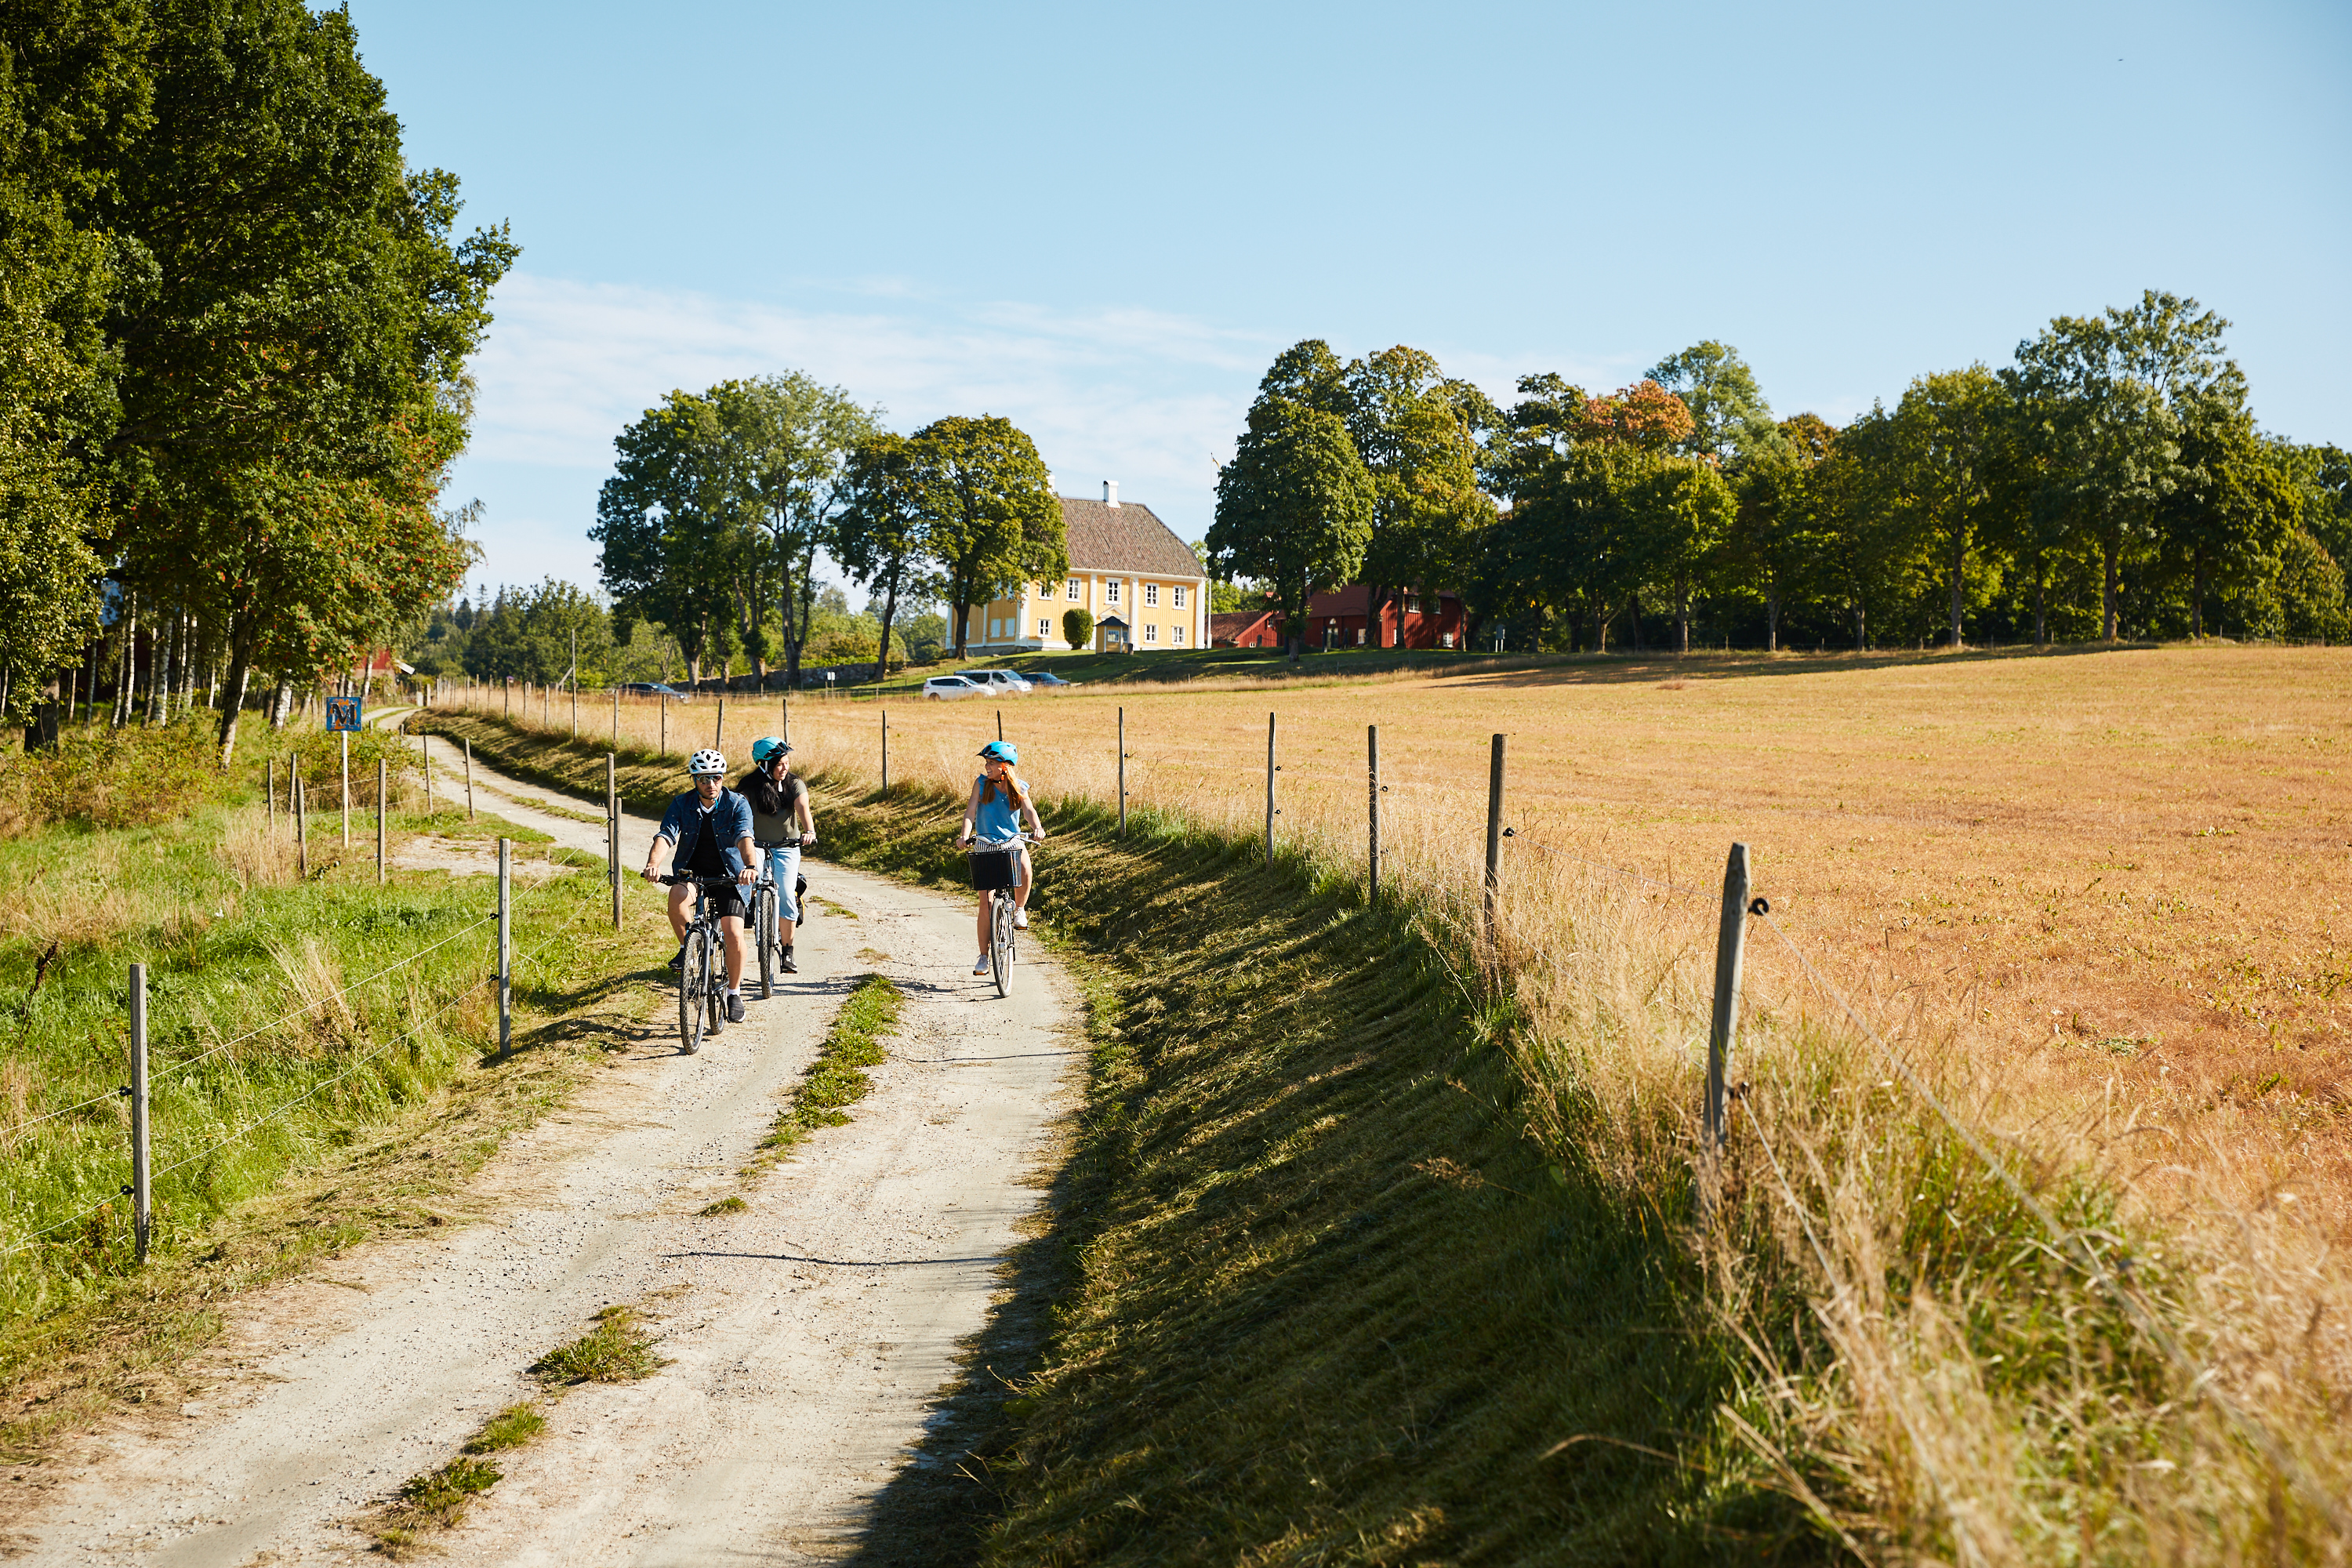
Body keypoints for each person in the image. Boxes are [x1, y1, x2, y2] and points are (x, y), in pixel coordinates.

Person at [641, 749, 755, 1024]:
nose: (711, 784)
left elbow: (744, 836)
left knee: (733, 933)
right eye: (704, 779)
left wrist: (750, 866)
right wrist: (653, 864)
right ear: (694, 780)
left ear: (722, 778)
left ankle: (734, 993)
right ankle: (689, 949)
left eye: (716, 778)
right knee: (676, 897)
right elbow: (666, 836)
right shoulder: (682, 804)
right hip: (692, 875)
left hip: (730, 877)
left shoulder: (737, 803)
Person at [954, 740, 1045, 976]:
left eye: (991, 763)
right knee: (986, 904)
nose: (987, 766)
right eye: (986, 762)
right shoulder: (981, 784)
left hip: (1011, 841)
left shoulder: (1019, 787)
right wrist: (964, 835)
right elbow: (970, 812)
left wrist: (1037, 828)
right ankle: (984, 957)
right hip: (985, 843)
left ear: (1005, 766)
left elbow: (1029, 811)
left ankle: (1019, 910)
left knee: (1025, 867)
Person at [739, 737, 815, 974]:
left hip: (787, 847)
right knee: (748, 880)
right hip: (756, 846)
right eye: (779, 764)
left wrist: (809, 831)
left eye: (787, 763)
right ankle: (751, 907)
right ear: (765, 764)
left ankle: (788, 951)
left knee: (786, 894)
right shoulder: (748, 785)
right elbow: (738, 811)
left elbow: (803, 808)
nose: (785, 768)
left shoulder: (794, 783)